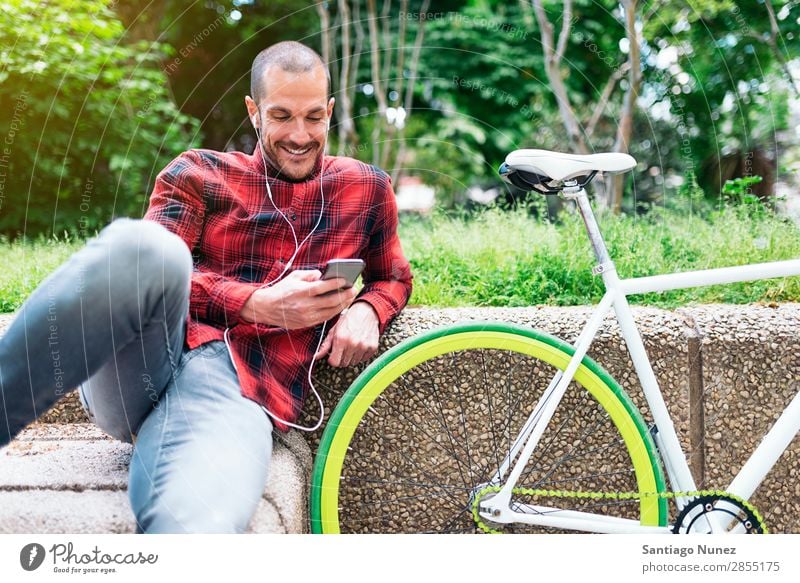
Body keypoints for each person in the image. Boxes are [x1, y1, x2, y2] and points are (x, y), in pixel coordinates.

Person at [0, 41, 413, 533]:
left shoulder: (366, 188)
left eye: (312, 118)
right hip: (143, 365)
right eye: (281, 116)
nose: (300, 135)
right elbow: (143, 282)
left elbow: (393, 276)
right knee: (148, 249)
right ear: (254, 112)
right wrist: (256, 304)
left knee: (197, 526)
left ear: (328, 112)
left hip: (239, 388)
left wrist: (368, 308)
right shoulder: (198, 172)